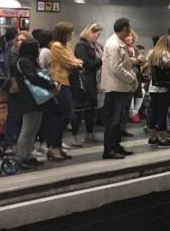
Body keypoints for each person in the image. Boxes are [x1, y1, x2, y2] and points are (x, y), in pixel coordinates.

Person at [11, 38, 60, 169]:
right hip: (29, 98)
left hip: (35, 98)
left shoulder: (28, 61)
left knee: (33, 128)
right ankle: (20, 157)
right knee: (27, 129)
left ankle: (27, 155)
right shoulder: (24, 62)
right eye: (36, 47)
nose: (38, 50)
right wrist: (50, 84)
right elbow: (33, 77)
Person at [100, 18, 138, 160]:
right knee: (112, 121)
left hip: (120, 87)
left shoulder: (119, 43)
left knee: (118, 120)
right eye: (128, 29)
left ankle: (116, 146)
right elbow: (116, 68)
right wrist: (131, 78)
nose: (129, 32)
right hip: (114, 87)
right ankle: (109, 150)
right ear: (124, 29)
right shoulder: (113, 45)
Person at [47, 22, 83, 161]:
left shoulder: (66, 46)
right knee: (63, 116)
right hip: (60, 83)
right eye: (70, 32)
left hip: (67, 82)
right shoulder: (56, 46)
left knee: (66, 115)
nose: (72, 35)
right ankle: (53, 147)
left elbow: (75, 60)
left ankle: (57, 146)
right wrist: (77, 63)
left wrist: (77, 63)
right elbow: (69, 63)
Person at [147, 36, 170, 147]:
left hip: (153, 87)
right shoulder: (165, 54)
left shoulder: (152, 53)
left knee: (153, 112)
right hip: (164, 87)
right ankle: (163, 138)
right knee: (162, 112)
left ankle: (152, 137)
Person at [71, 24, 103, 146]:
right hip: (84, 81)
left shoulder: (95, 46)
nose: (98, 37)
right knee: (79, 110)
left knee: (91, 109)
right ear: (89, 32)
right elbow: (86, 63)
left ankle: (89, 134)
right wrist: (101, 60)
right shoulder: (81, 45)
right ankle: (75, 137)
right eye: (96, 34)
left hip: (94, 80)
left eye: (99, 34)